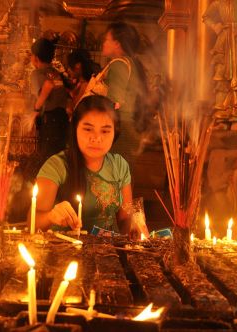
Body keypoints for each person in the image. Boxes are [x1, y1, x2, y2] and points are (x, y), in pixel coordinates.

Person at [33, 95, 133, 234]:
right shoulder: (57, 165)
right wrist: (50, 216)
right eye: (88, 129)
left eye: (105, 131)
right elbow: (33, 221)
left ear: (115, 133)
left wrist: (136, 226)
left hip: (107, 251)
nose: (96, 138)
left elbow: (125, 219)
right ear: (75, 129)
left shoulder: (119, 165)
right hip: (64, 249)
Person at [100, 22, 148, 169]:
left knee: (112, 177)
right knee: (124, 177)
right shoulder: (133, 63)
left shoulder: (118, 64)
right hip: (129, 129)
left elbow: (114, 102)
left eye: (106, 40)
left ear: (117, 44)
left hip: (119, 130)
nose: (103, 43)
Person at [30, 38, 70, 162]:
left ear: (35, 58)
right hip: (62, 119)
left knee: (47, 159)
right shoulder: (56, 73)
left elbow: (46, 88)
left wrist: (36, 108)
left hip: (49, 121)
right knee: (59, 158)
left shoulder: (36, 74)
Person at [65, 49, 98, 116]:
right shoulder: (81, 82)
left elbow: (75, 110)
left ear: (78, 65)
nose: (68, 70)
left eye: (69, 66)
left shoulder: (85, 86)